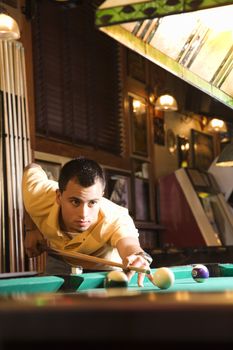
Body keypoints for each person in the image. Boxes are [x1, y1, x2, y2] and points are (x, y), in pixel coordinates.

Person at [22, 157, 153, 287]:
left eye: (92, 202)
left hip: (103, 270)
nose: (83, 214)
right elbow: (31, 169)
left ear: (101, 197)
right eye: (75, 202)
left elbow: (129, 245)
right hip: (60, 258)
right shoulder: (40, 195)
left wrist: (137, 256)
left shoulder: (115, 218)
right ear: (59, 196)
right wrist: (31, 229)